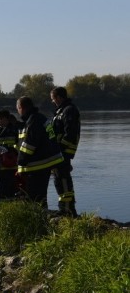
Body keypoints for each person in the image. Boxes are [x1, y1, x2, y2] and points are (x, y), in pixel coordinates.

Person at [16, 96, 64, 206]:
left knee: (35, 197)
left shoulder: (33, 121)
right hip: (47, 162)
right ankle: (42, 217)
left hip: (38, 165)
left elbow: (29, 145)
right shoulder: (40, 118)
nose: (18, 112)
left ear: (21, 107)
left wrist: (20, 162)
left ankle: (38, 220)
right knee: (41, 196)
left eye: (18, 109)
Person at [50, 87, 81, 216]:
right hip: (58, 152)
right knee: (59, 180)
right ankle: (64, 208)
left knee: (63, 180)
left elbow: (70, 133)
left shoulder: (69, 110)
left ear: (59, 97)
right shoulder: (61, 111)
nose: (52, 101)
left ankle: (68, 210)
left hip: (63, 151)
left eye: (53, 99)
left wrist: (60, 150)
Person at [0, 108, 21, 203]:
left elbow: (18, 147)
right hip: (2, 166)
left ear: (4, 119)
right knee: (3, 189)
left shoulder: (15, 130)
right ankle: (3, 210)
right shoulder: (1, 131)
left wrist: (4, 148)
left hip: (11, 167)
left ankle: (8, 210)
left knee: (9, 190)